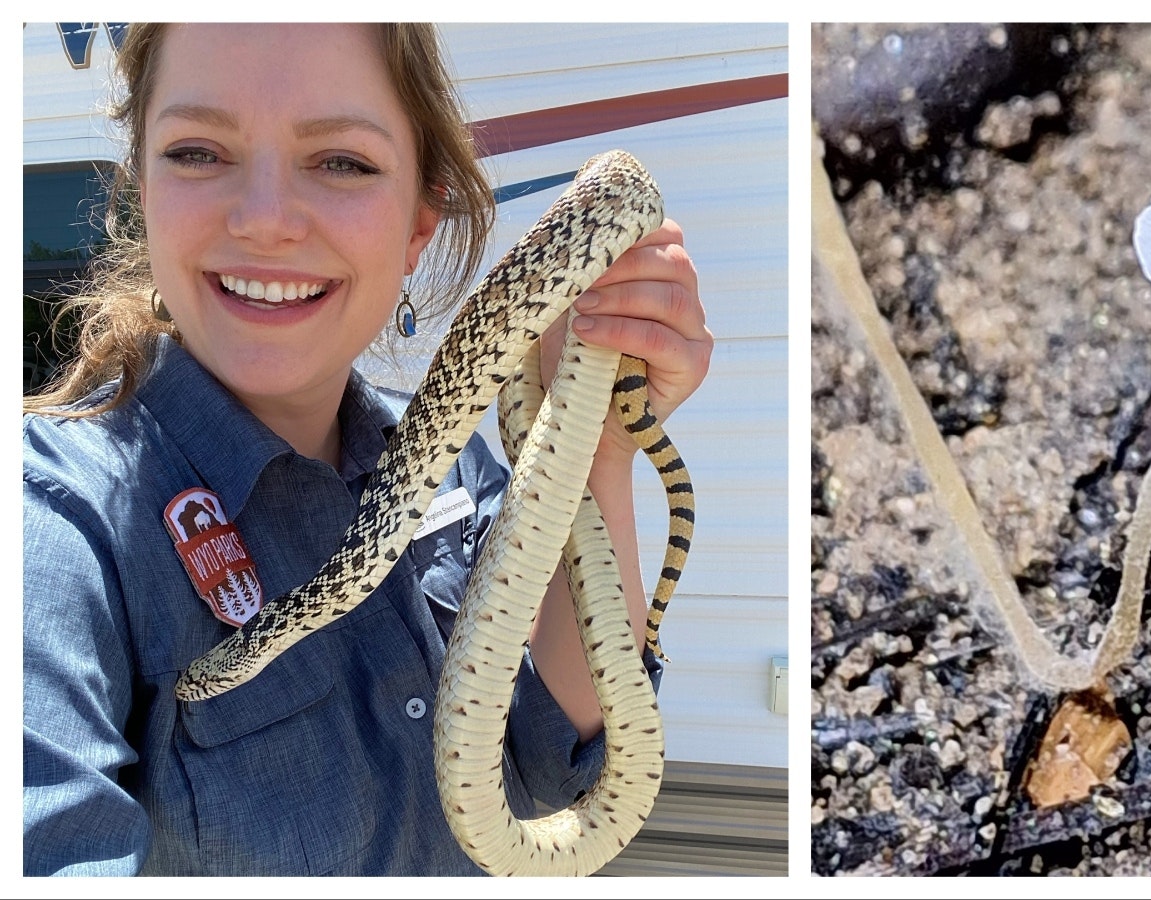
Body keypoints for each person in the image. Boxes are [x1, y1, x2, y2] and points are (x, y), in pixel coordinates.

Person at [21, 23, 713, 876]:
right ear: (141, 193)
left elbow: (549, 761)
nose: (266, 221)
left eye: (342, 161)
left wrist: (595, 441)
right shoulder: (49, 523)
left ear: (420, 221)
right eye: (198, 152)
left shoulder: (451, 461)